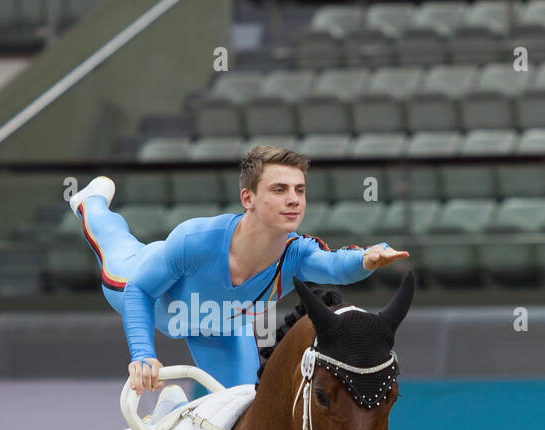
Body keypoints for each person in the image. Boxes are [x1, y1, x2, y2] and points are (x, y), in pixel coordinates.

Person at [68, 145, 409, 394]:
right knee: (112, 239)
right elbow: (139, 291)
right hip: (147, 290)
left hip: (221, 329)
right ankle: (89, 201)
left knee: (242, 409)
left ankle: (174, 417)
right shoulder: (195, 239)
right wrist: (143, 355)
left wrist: (367, 259)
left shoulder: (297, 253)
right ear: (248, 199)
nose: (294, 199)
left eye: (299, 190)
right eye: (279, 189)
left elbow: (336, 265)